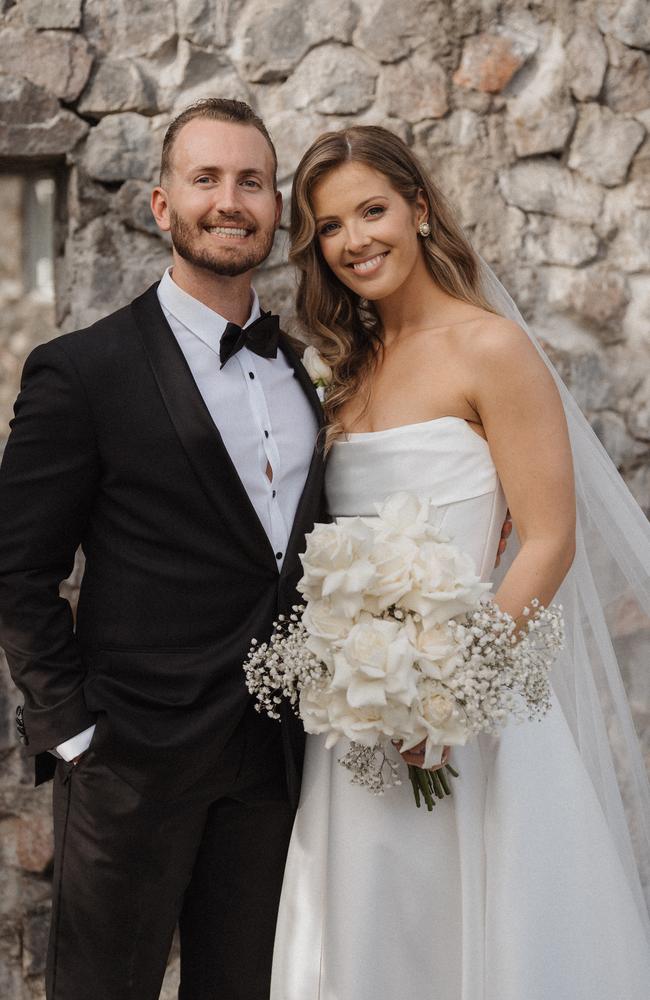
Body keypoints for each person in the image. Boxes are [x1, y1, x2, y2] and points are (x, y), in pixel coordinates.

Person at [271, 125, 650, 999]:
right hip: (359, 718)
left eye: (373, 210)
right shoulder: (346, 370)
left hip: (467, 712)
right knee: (373, 930)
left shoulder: (493, 349)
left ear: (421, 207)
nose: (357, 240)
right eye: (331, 227)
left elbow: (549, 536)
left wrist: (450, 698)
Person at [0, 98, 328, 1000]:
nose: (232, 200)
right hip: (129, 765)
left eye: (252, 182)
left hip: (272, 764)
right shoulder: (83, 370)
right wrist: (72, 730)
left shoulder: (310, 372)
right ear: (160, 204)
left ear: (275, 207)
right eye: (208, 178)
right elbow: (16, 568)